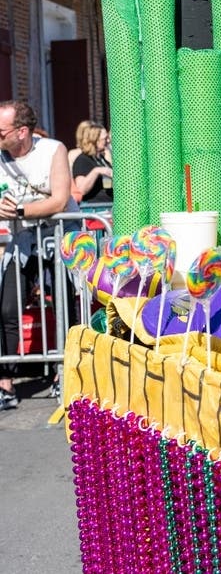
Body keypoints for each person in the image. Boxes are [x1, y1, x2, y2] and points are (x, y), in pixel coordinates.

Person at [0, 100, 80, 411]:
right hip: (22, 240)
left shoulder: (53, 149)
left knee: (63, 304)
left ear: (21, 132)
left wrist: (21, 209)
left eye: (1, 131)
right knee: (7, 308)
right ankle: (4, 380)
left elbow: (60, 200)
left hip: (57, 235)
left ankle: (65, 374)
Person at [71, 122, 113, 205]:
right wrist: (96, 171)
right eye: (104, 139)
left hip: (108, 205)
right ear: (95, 140)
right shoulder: (82, 160)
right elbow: (81, 189)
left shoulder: (101, 158)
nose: (108, 141)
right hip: (94, 209)